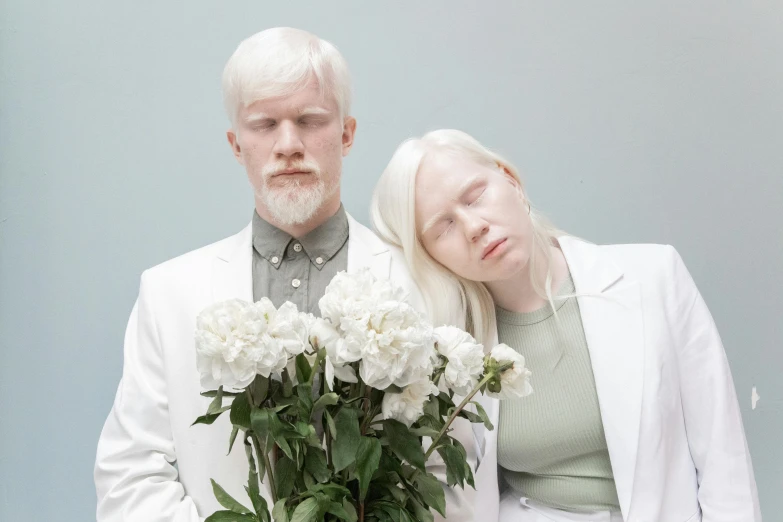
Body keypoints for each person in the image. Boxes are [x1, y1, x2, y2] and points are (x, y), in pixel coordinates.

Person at [94, 29, 474, 522]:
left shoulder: (427, 281)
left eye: (310, 120)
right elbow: (130, 474)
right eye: (265, 124)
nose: (288, 144)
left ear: (347, 133)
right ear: (236, 144)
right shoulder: (167, 293)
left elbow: (455, 468)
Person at [370, 129, 761, 522]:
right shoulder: (451, 351)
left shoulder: (655, 276)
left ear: (510, 180)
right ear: (432, 256)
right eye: (444, 227)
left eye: (475, 196)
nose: (474, 226)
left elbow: (724, 465)